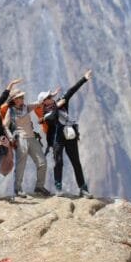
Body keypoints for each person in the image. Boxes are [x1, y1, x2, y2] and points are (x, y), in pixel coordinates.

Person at [38, 69, 94, 197]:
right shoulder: (45, 113)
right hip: (57, 139)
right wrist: (57, 106)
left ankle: (83, 188)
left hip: (69, 135)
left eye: (50, 95)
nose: (50, 97)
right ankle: (58, 187)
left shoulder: (61, 101)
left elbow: (72, 90)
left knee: (76, 162)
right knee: (58, 162)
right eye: (48, 97)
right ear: (43, 102)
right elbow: (51, 118)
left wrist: (84, 79)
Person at [3, 89, 51, 197]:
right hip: (20, 138)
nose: (22, 99)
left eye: (22, 97)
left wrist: (49, 96)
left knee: (42, 162)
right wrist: (11, 138)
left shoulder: (26, 107)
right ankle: (18, 189)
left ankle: (39, 186)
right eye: (20, 97)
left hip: (32, 137)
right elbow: (5, 126)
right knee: (21, 164)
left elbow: (38, 103)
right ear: (15, 100)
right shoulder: (10, 111)